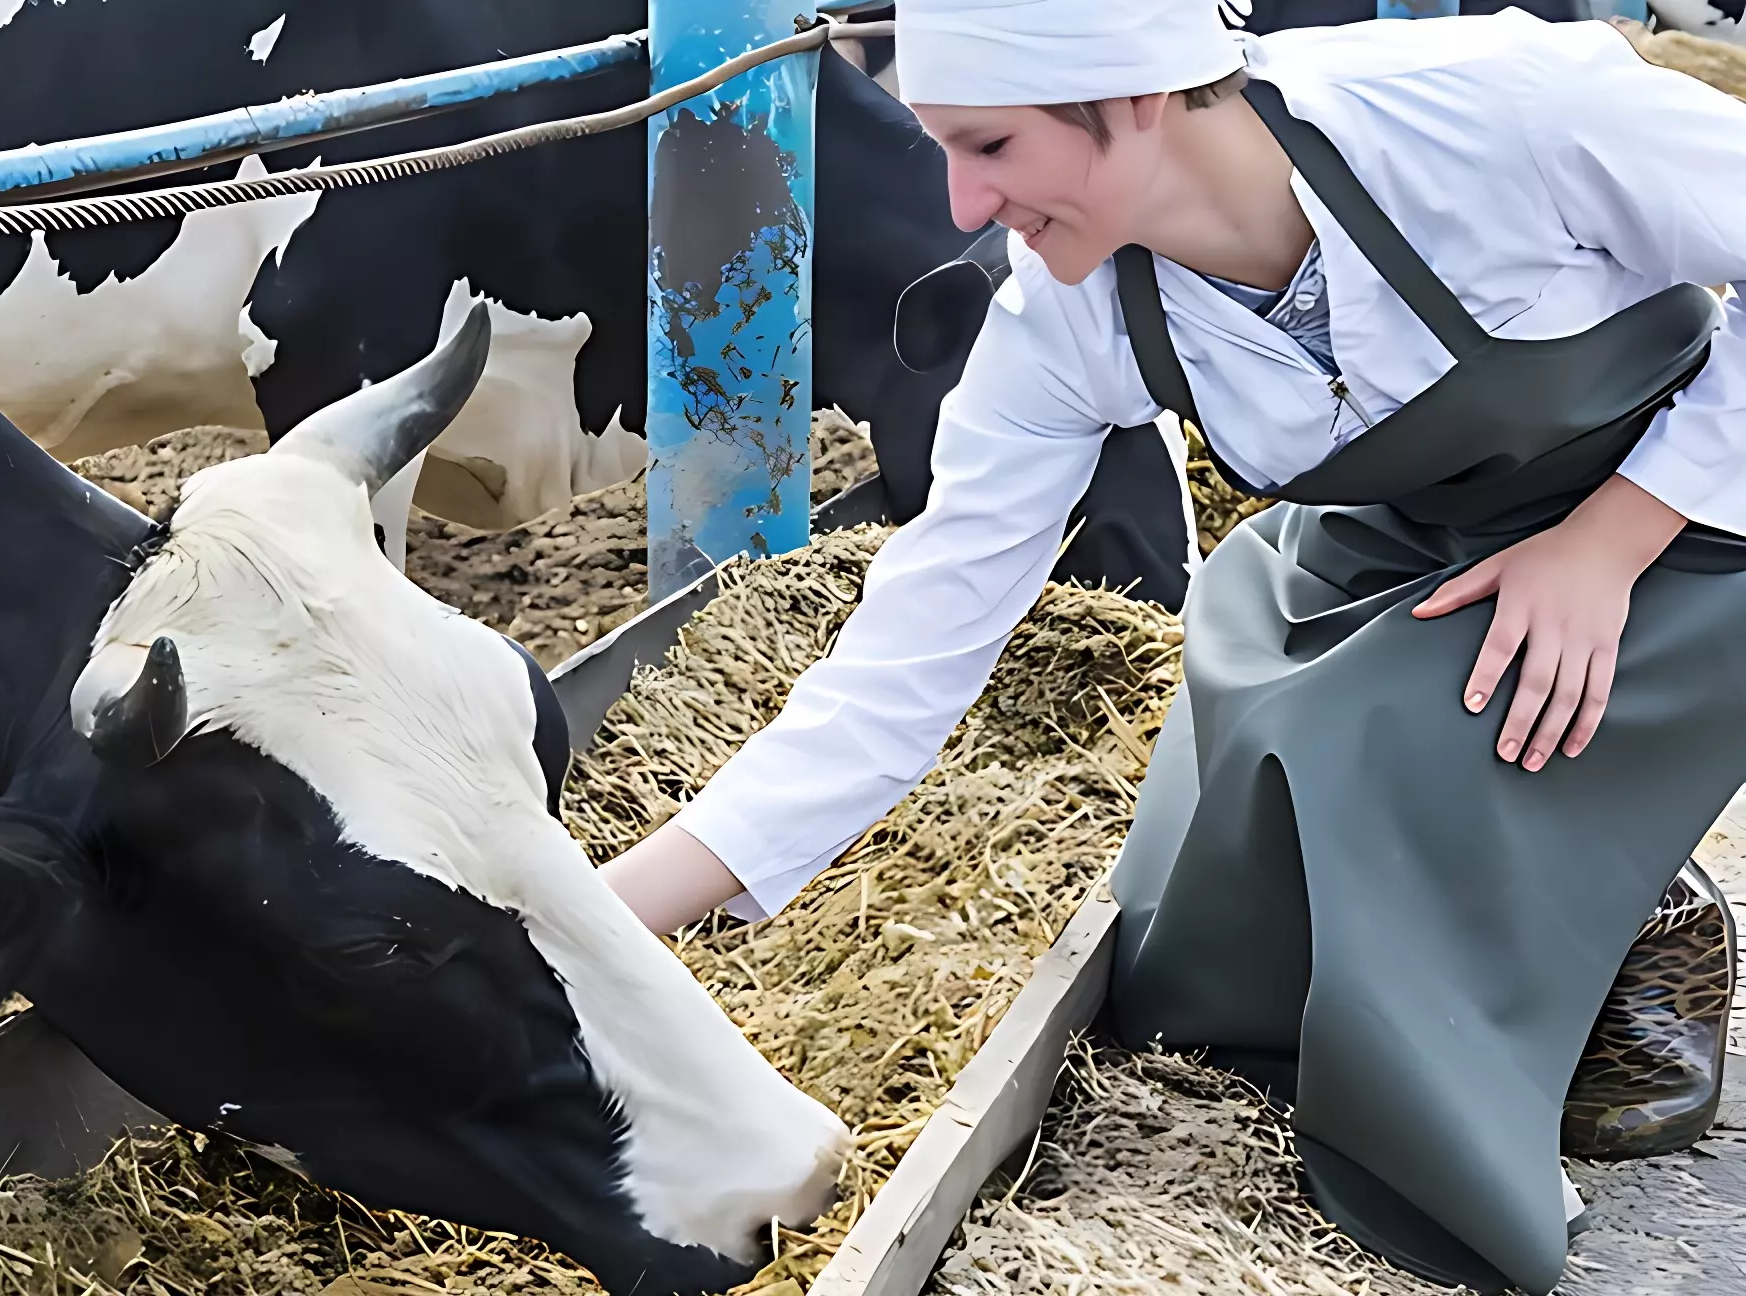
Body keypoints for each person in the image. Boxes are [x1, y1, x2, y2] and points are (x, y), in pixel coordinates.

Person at [597, 3, 1746, 1292]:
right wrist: (594, 916)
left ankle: (1639, 915)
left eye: (991, 147)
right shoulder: (1065, 317)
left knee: (1356, 748)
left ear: (1134, 98)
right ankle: (1562, 883)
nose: (966, 206)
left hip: (1692, 506)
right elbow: (909, 652)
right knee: (1191, 950)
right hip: (1403, 541)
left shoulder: (1498, 107)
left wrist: (1614, 538)